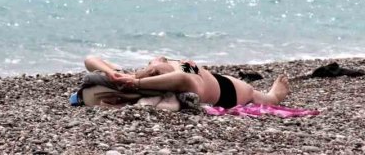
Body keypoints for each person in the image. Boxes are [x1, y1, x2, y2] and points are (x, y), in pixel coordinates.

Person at [79, 55, 290, 110]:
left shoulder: (133, 76)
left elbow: (91, 59)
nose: (154, 62)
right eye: (153, 69)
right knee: (257, 96)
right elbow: (183, 77)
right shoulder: (187, 77)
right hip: (228, 92)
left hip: (208, 77)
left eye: (151, 65)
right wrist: (136, 83)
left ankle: (272, 96)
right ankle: (273, 97)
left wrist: (113, 73)